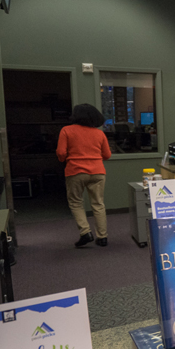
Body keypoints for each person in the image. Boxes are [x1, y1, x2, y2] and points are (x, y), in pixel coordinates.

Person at [56, 103, 111, 247]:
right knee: (98, 203)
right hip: (98, 171)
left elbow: (61, 153)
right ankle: (102, 237)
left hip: (75, 171)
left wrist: (65, 159)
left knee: (76, 202)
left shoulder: (66, 130)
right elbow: (107, 155)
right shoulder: (99, 133)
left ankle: (85, 232)